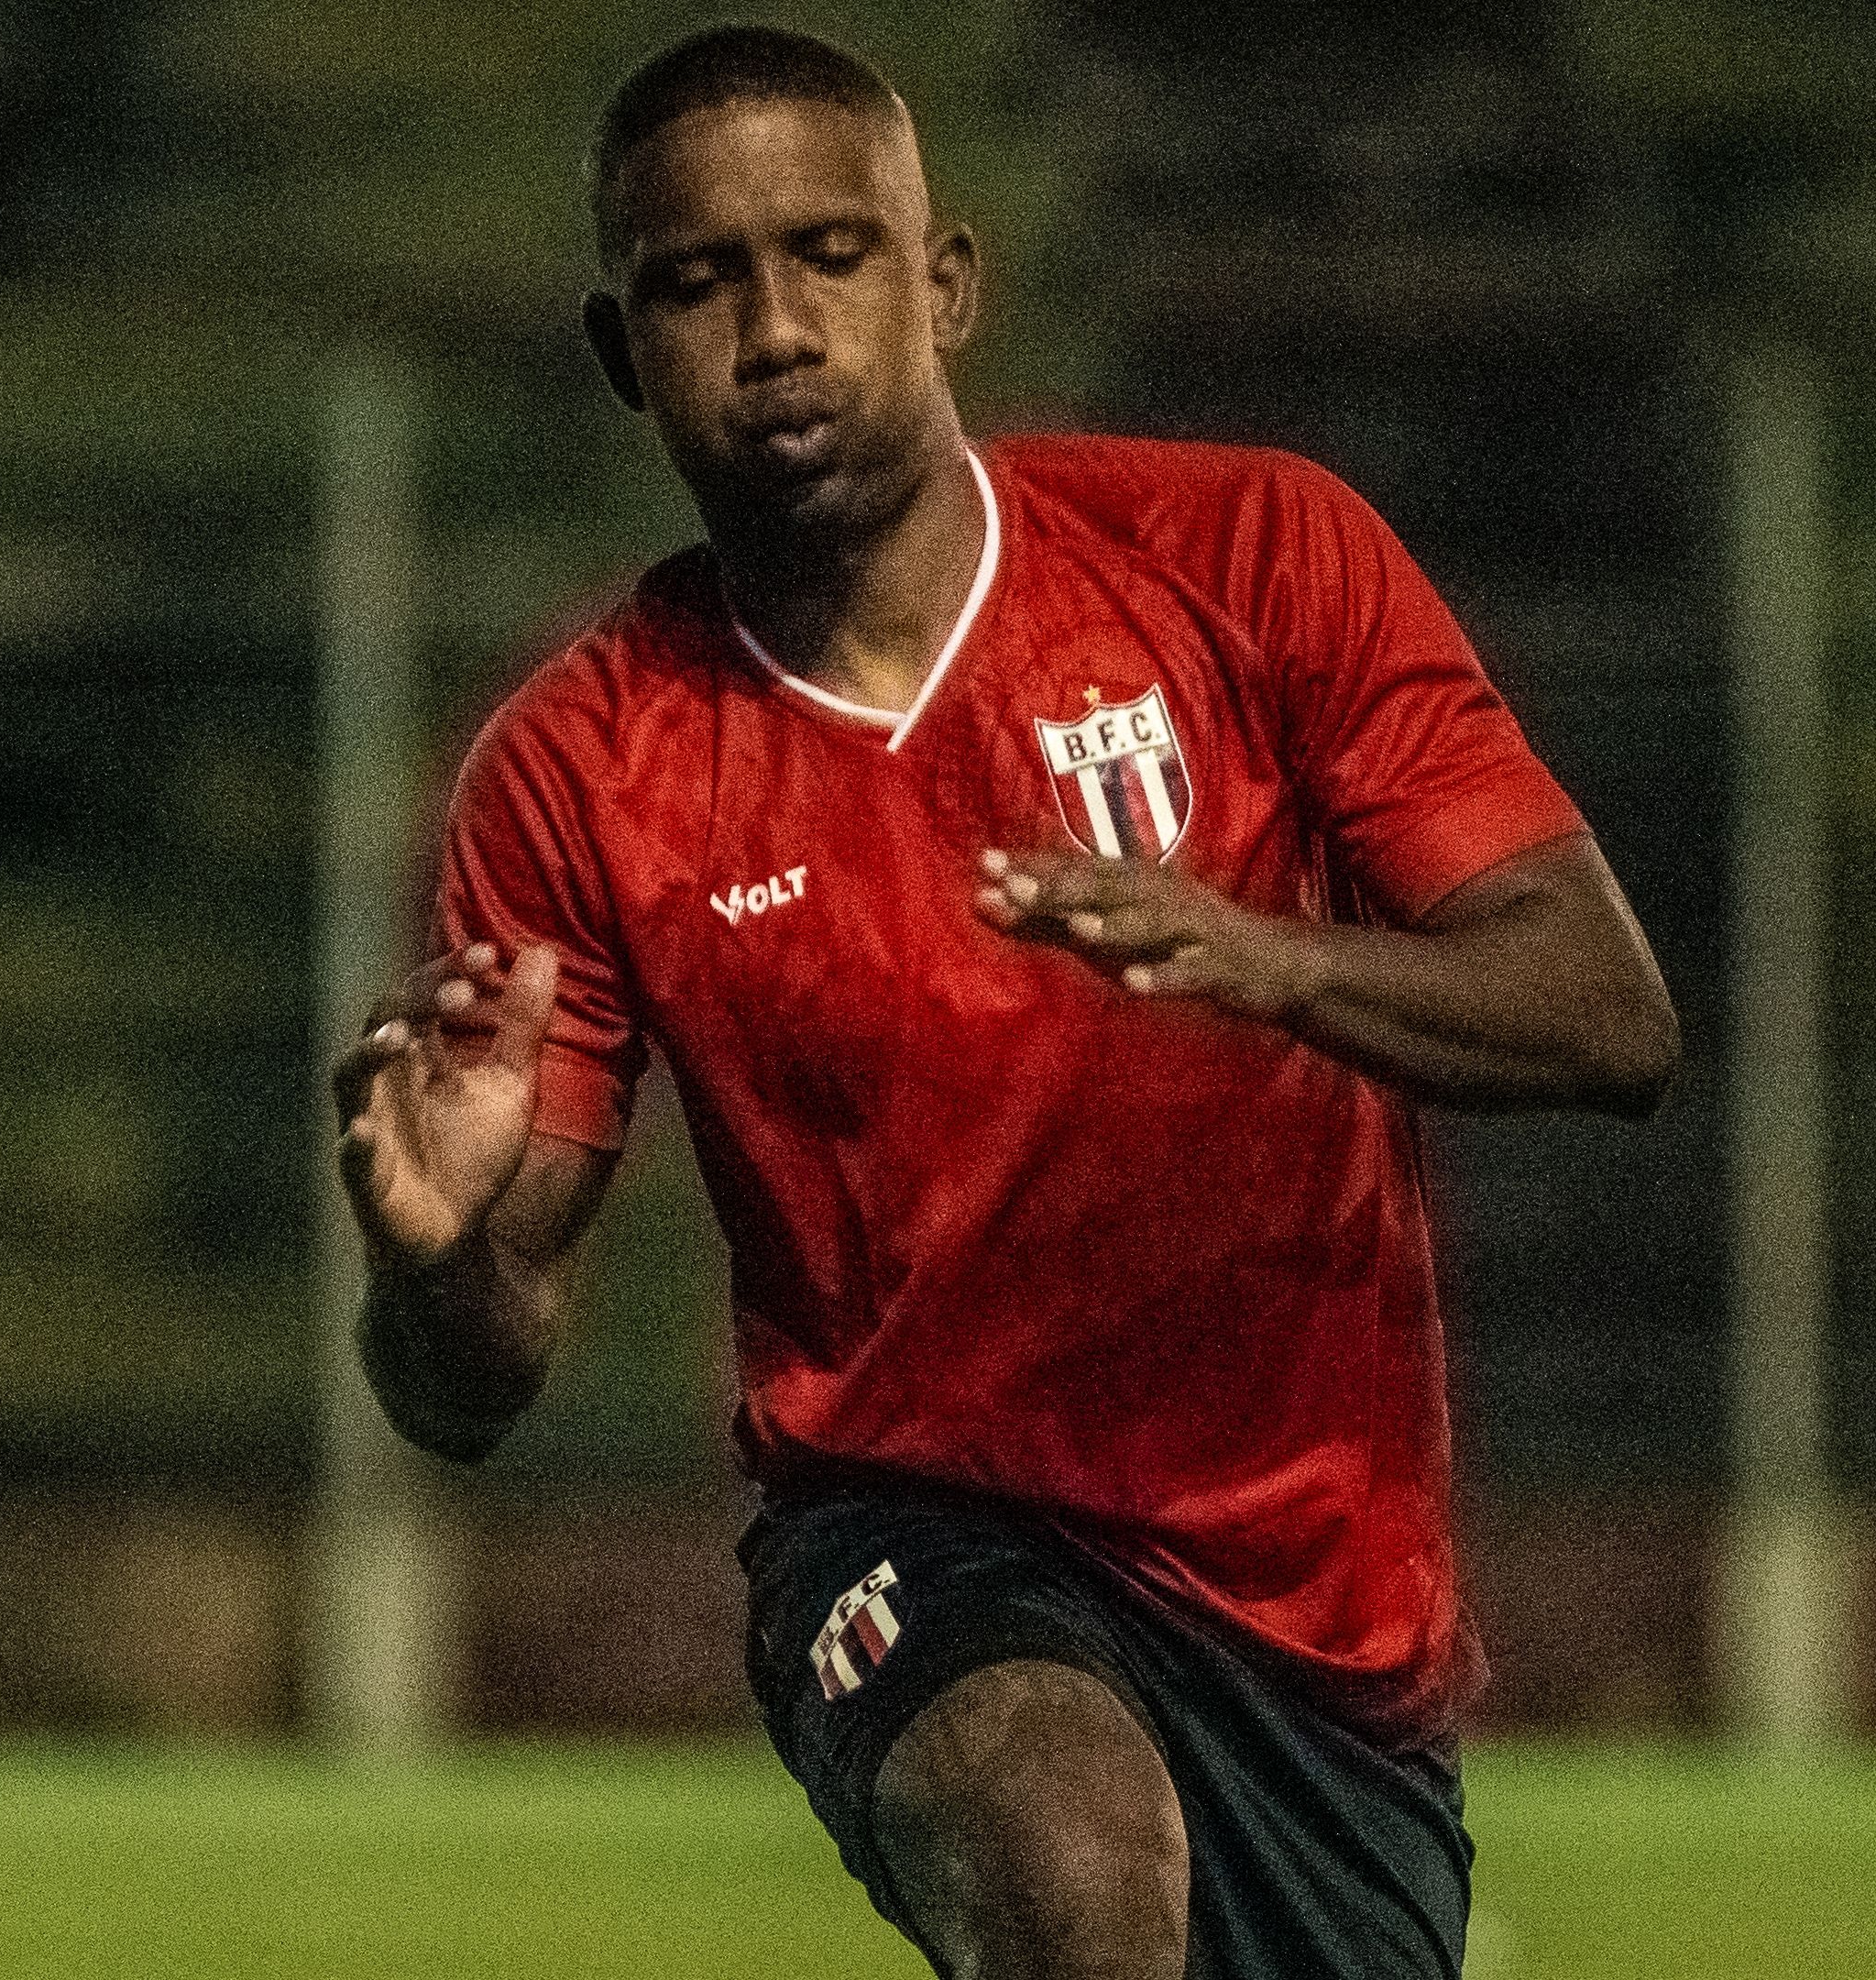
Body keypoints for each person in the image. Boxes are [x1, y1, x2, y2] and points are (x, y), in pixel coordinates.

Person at [332, 24, 1677, 1980]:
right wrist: (433, 1255)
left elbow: (1607, 1016)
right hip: (907, 1527)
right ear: (627, 355)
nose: (774, 329)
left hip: (1315, 1588)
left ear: (945, 281)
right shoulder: (580, 772)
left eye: (829, 254)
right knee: (1071, 1885)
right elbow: (468, 1386)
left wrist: (1279, 961)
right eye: (697, 283)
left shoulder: (1250, 557)